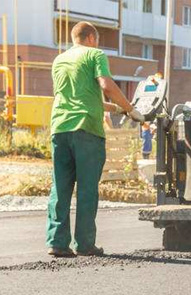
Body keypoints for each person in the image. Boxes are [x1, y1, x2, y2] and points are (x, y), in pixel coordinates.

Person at [46, 21, 143, 258]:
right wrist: (130, 108)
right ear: (91, 38)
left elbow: (80, 97)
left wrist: (117, 109)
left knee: (60, 186)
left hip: (60, 127)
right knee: (87, 188)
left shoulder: (59, 60)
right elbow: (106, 85)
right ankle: (85, 243)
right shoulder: (95, 55)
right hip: (86, 129)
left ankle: (57, 242)